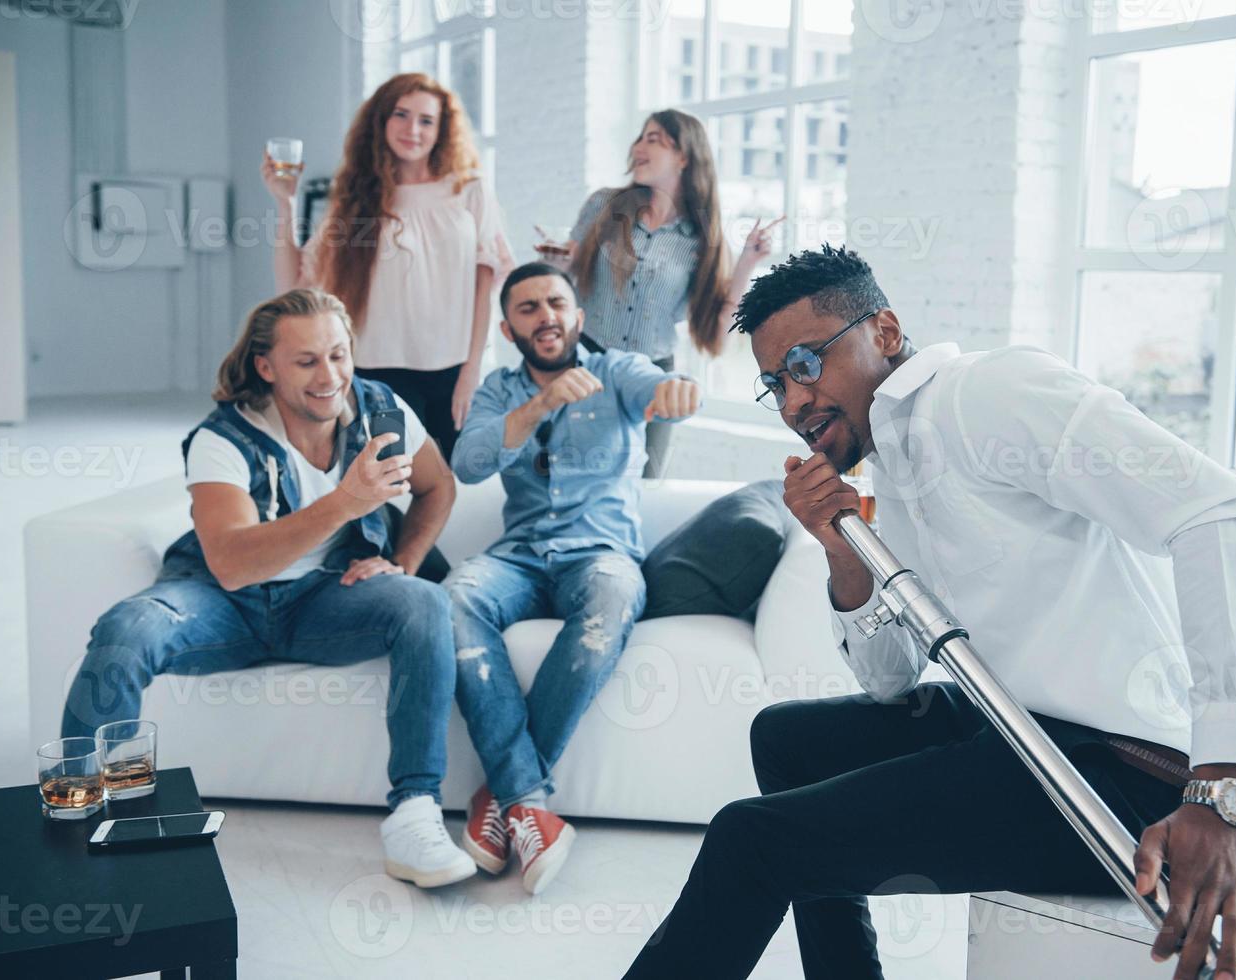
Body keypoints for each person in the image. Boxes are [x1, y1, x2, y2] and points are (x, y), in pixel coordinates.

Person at [625, 246, 1236, 980]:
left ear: (882, 330)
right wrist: (842, 551)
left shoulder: (989, 393)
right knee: (785, 739)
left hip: (1115, 770)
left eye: (806, 365)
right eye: (774, 385)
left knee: (749, 840)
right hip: (1009, 728)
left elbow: (1226, 516)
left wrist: (1225, 793)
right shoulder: (894, 464)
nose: (791, 404)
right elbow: (888, 686)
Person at [61, 289, 477, 889]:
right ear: (266, 366)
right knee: (128, 628)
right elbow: (231, 564)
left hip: (324, 601)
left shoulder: (380, 410)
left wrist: (404, 561)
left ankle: (414, 817)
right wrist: (345, 502)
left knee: (423, 603)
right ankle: (82, 820)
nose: (329, 376)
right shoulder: (223, 439)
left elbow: (438, 486)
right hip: (222, 605)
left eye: (338, 355)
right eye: (306, 361)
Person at [443, 262, 702, 895]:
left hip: (600, 555)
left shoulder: (616, 370)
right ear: (509, 328)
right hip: (520, 557)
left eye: (556, 303)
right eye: (528, 308)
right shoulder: (500, 391)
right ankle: (529, 806)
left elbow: (660, 386)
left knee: (613, 596)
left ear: (578, 318)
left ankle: (503, 798)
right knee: (449, 600)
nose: (546, 316)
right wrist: (539, 405)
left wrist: (677, 391)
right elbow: (468, 462)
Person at [265, 71, 514, 462]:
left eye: (426, 120)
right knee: (388, 486)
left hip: (451, 371)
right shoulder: (356, 199)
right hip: (374, 373)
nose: (412, 129)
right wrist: (286, 203)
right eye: (400, 114)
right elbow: (294, 285)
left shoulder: (469, 189)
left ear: (441, 130)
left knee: (442, 488)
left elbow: (486, 284)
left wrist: (471, 371)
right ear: (380, 122)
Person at [537, 108, 780, 477]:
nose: (639, 146)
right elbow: (567, 276)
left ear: (684, 156)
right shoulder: (603, 205)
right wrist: (557, 264)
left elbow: (716, 334)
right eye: (640, 137)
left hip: (655, 378)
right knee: (567, 478)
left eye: (654, 139)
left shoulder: (703, 240)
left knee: (644, 487)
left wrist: (747, 263)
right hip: (587, 364)